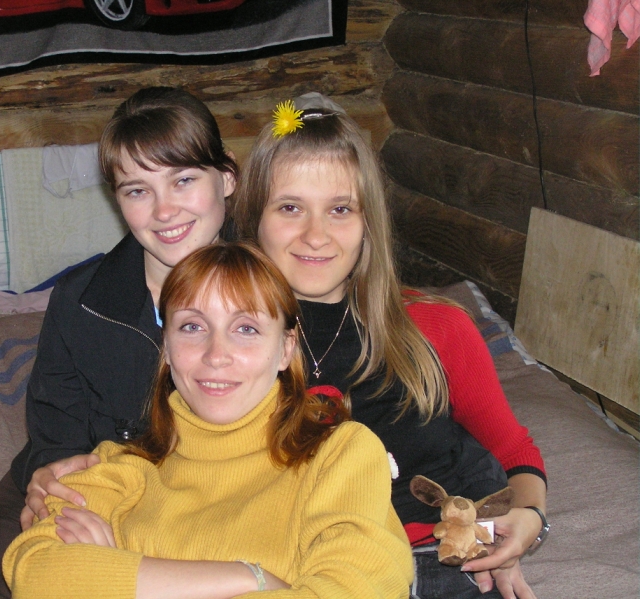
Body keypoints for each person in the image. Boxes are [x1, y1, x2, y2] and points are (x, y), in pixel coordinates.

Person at [230, 95, 547, 599]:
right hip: (319, 570)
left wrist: (528, 520)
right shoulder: (228, 344)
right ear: (253, 220)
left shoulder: (438, 326)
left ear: (368, 222)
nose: (316, 235)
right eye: (290, 208)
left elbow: (512, 448)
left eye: (340, 209)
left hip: (445, 558)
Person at [0, 86, 238, 599]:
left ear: (225, 178)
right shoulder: (81, 299)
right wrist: (57, 485)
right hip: (84, 479)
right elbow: (54, 427)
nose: (164, 211)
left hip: (197, 499)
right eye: (137, 190)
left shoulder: (270, 295)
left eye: (183, 180)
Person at [3, 242, 413, 599]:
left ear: (286, 348)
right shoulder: (119, 467)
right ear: (166, 347)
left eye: (246, 328)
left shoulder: (342, 456)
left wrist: (119, 579)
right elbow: (34, 573)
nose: (216, 355)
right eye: (192, 326)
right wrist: (250, 577)